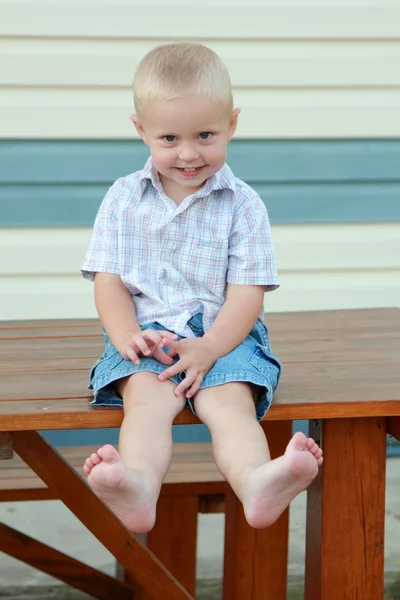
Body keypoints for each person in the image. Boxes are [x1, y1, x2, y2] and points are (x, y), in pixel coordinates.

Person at [81, 42, 323, 533]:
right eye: (169, 137)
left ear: (232, 125)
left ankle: (256, 482)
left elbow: (247, 294)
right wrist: (127, 336)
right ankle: (140, 485)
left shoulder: (243, 204)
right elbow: (109, 281)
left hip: (223, 333)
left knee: (228, 403)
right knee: (146, 401)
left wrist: (212, 346)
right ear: (141, 130)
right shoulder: (124, 198)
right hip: (149, 333)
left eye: (205, 135)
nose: (188, 153)